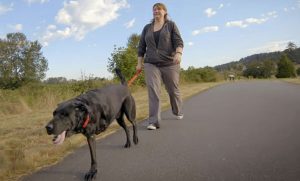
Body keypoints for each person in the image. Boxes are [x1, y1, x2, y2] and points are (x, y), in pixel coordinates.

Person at [136, 2, 184, 130]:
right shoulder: (147, 28)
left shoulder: (171, 25)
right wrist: (139, 63)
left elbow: (179, 42)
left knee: (172, 90)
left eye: (158, 9)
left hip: (170, 63)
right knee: (153, 91)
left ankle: (177, 110)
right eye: (154, 10)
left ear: (165, 12)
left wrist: (178, 53)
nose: (156, 11)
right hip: (151, 63)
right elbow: (141, 47)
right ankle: (153, 121)